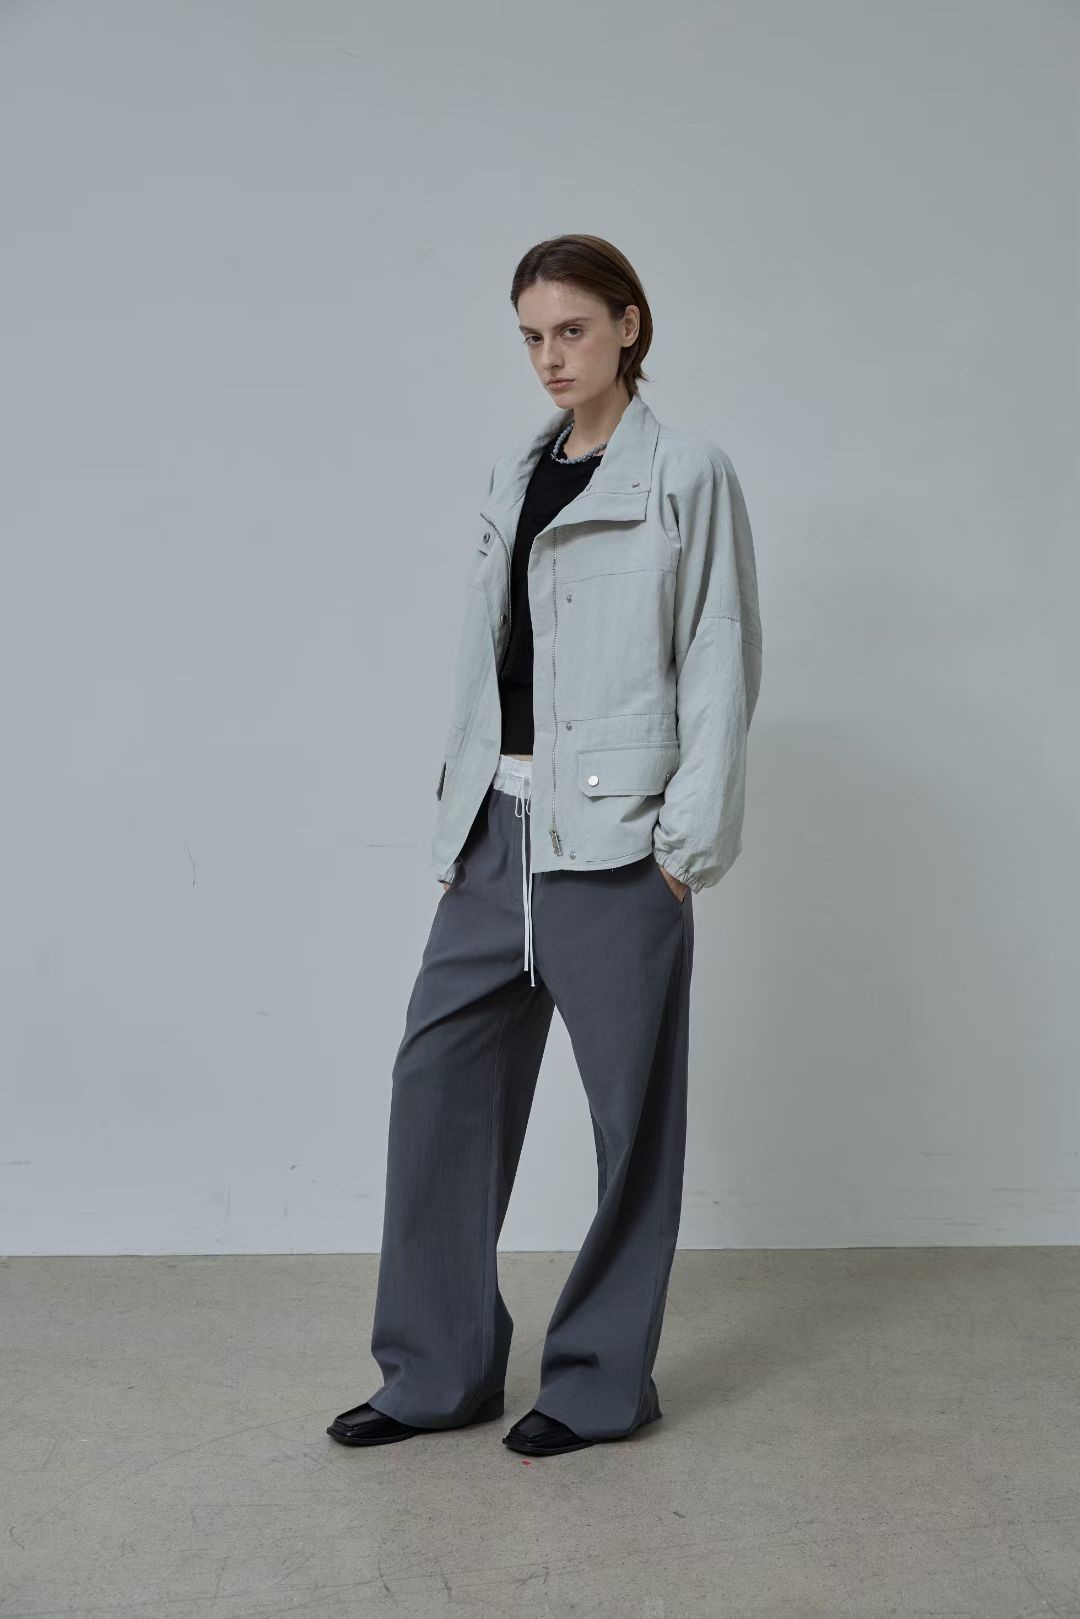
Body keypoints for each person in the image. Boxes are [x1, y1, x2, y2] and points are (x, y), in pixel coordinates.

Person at [327, 234, 762, 1458]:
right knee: (437, 1089)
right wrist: (459, 810)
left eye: (571, 329)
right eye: (531, 336)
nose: (550, 357)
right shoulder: (515, 473)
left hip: (617, 845)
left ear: (629, 324)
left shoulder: (684, 473)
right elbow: (492, 665)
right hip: (495, 831)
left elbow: (720, 656)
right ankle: (436, 1371)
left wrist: (683, 849)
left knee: (631, 1126)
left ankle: (596, 1385)